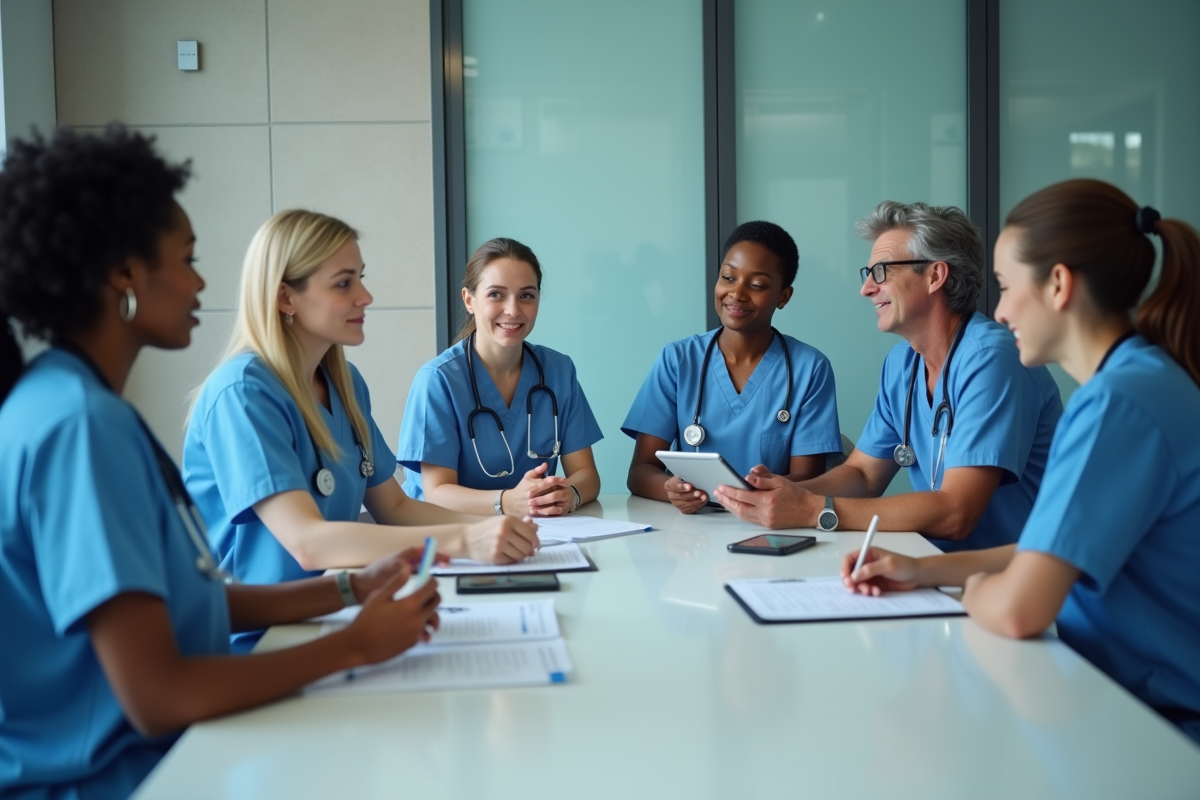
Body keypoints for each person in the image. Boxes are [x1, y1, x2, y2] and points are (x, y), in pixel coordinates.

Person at [0, 127, 442, 799]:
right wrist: (352, 646)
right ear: (124, 273)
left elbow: (186, 605)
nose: (201, 283)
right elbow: (157, 693)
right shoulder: (80, 427)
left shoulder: (72, 404)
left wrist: (350, 589)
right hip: (113, 779)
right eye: (187, 259)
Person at [841, 179, 1200, 744]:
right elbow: (1054, 550)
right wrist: (923, 571)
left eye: (1007, 288)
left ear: (1058, 285)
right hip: (1113, 693)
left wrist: (978, 588)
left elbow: (1018, 610)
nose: (1000, 311)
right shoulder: (1137, 385)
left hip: (1152, 722)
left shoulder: (1115, 407)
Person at [184, 212, 537, 651]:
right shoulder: (242, 394)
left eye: (361, 279)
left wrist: (506, 527)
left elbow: (394, 506)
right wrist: (467, 538)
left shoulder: (346, 385)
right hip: (257, 643)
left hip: (332, 618)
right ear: (285, 297)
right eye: (344, 283)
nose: (366, 296)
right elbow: (309, 543)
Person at [716, 203, 1063, 551]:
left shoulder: (993, 360)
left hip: (1016, 584)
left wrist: (812, 510)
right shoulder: (903, 362)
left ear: (935, 276)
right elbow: (864, 476)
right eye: (868, 273)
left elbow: (956, 513)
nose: (866, 288)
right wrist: (783, 493)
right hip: (934, 564)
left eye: (881, 271)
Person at [624, 221, 843, 513]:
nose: (737, 293)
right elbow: (640, 471)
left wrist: (750, 496)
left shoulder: (810, 369)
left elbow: (809, 478)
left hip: (771, 523)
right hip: (691, 532)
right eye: (728, 277)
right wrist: (671, 490)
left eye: (757, 285)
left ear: (783, 296)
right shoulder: (678, 359)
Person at [396, 237, 603, 517]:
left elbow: (586, 474)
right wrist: (507, 502)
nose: (513, 310)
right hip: (446, 535)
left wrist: (570, 495)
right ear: (469, 300)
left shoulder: (559, 371)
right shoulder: (438, 381)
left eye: (526, 295)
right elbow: (437, 492)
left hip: (537, 534)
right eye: (496, 294)